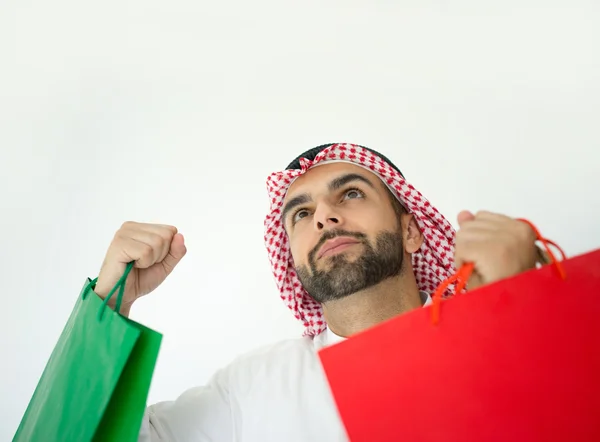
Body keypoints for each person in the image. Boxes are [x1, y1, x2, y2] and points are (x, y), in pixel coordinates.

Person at [92, 143, 541, 441]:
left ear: (411, 231)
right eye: (301, 213)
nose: (324, 217)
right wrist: (110, 306)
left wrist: (529, 308)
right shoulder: (252, 385)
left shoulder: (493, 340)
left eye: (350, 194)